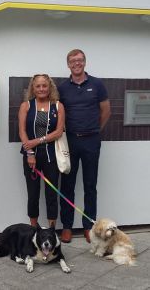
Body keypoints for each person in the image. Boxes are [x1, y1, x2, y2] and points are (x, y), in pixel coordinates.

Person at [58, 49, 111, 243]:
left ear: (85, 62)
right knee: (67, 186)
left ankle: (89, 226)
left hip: (91, 141)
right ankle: (67, 227)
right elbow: (59, 113)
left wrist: (95, 129)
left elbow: (105, 110)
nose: (77, 63)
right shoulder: (62, 88)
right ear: (68, 65)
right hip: (70, 141)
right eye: (73, 61)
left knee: (90, 185)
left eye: (80, 60)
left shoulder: (97, 84)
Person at [18, 74, 65, 228]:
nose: (41, 89)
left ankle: (51, 231)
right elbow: (22, 132)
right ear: (33, 88)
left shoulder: (58, 106)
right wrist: (30, 153)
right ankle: (33, 229)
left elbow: (58, 132)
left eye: (44, 85)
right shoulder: (26, 106)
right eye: (38, 86)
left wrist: (38, 140)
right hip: (31, 156)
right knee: (33, 194)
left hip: (51, 155)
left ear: (49, 87)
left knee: (52, 194)